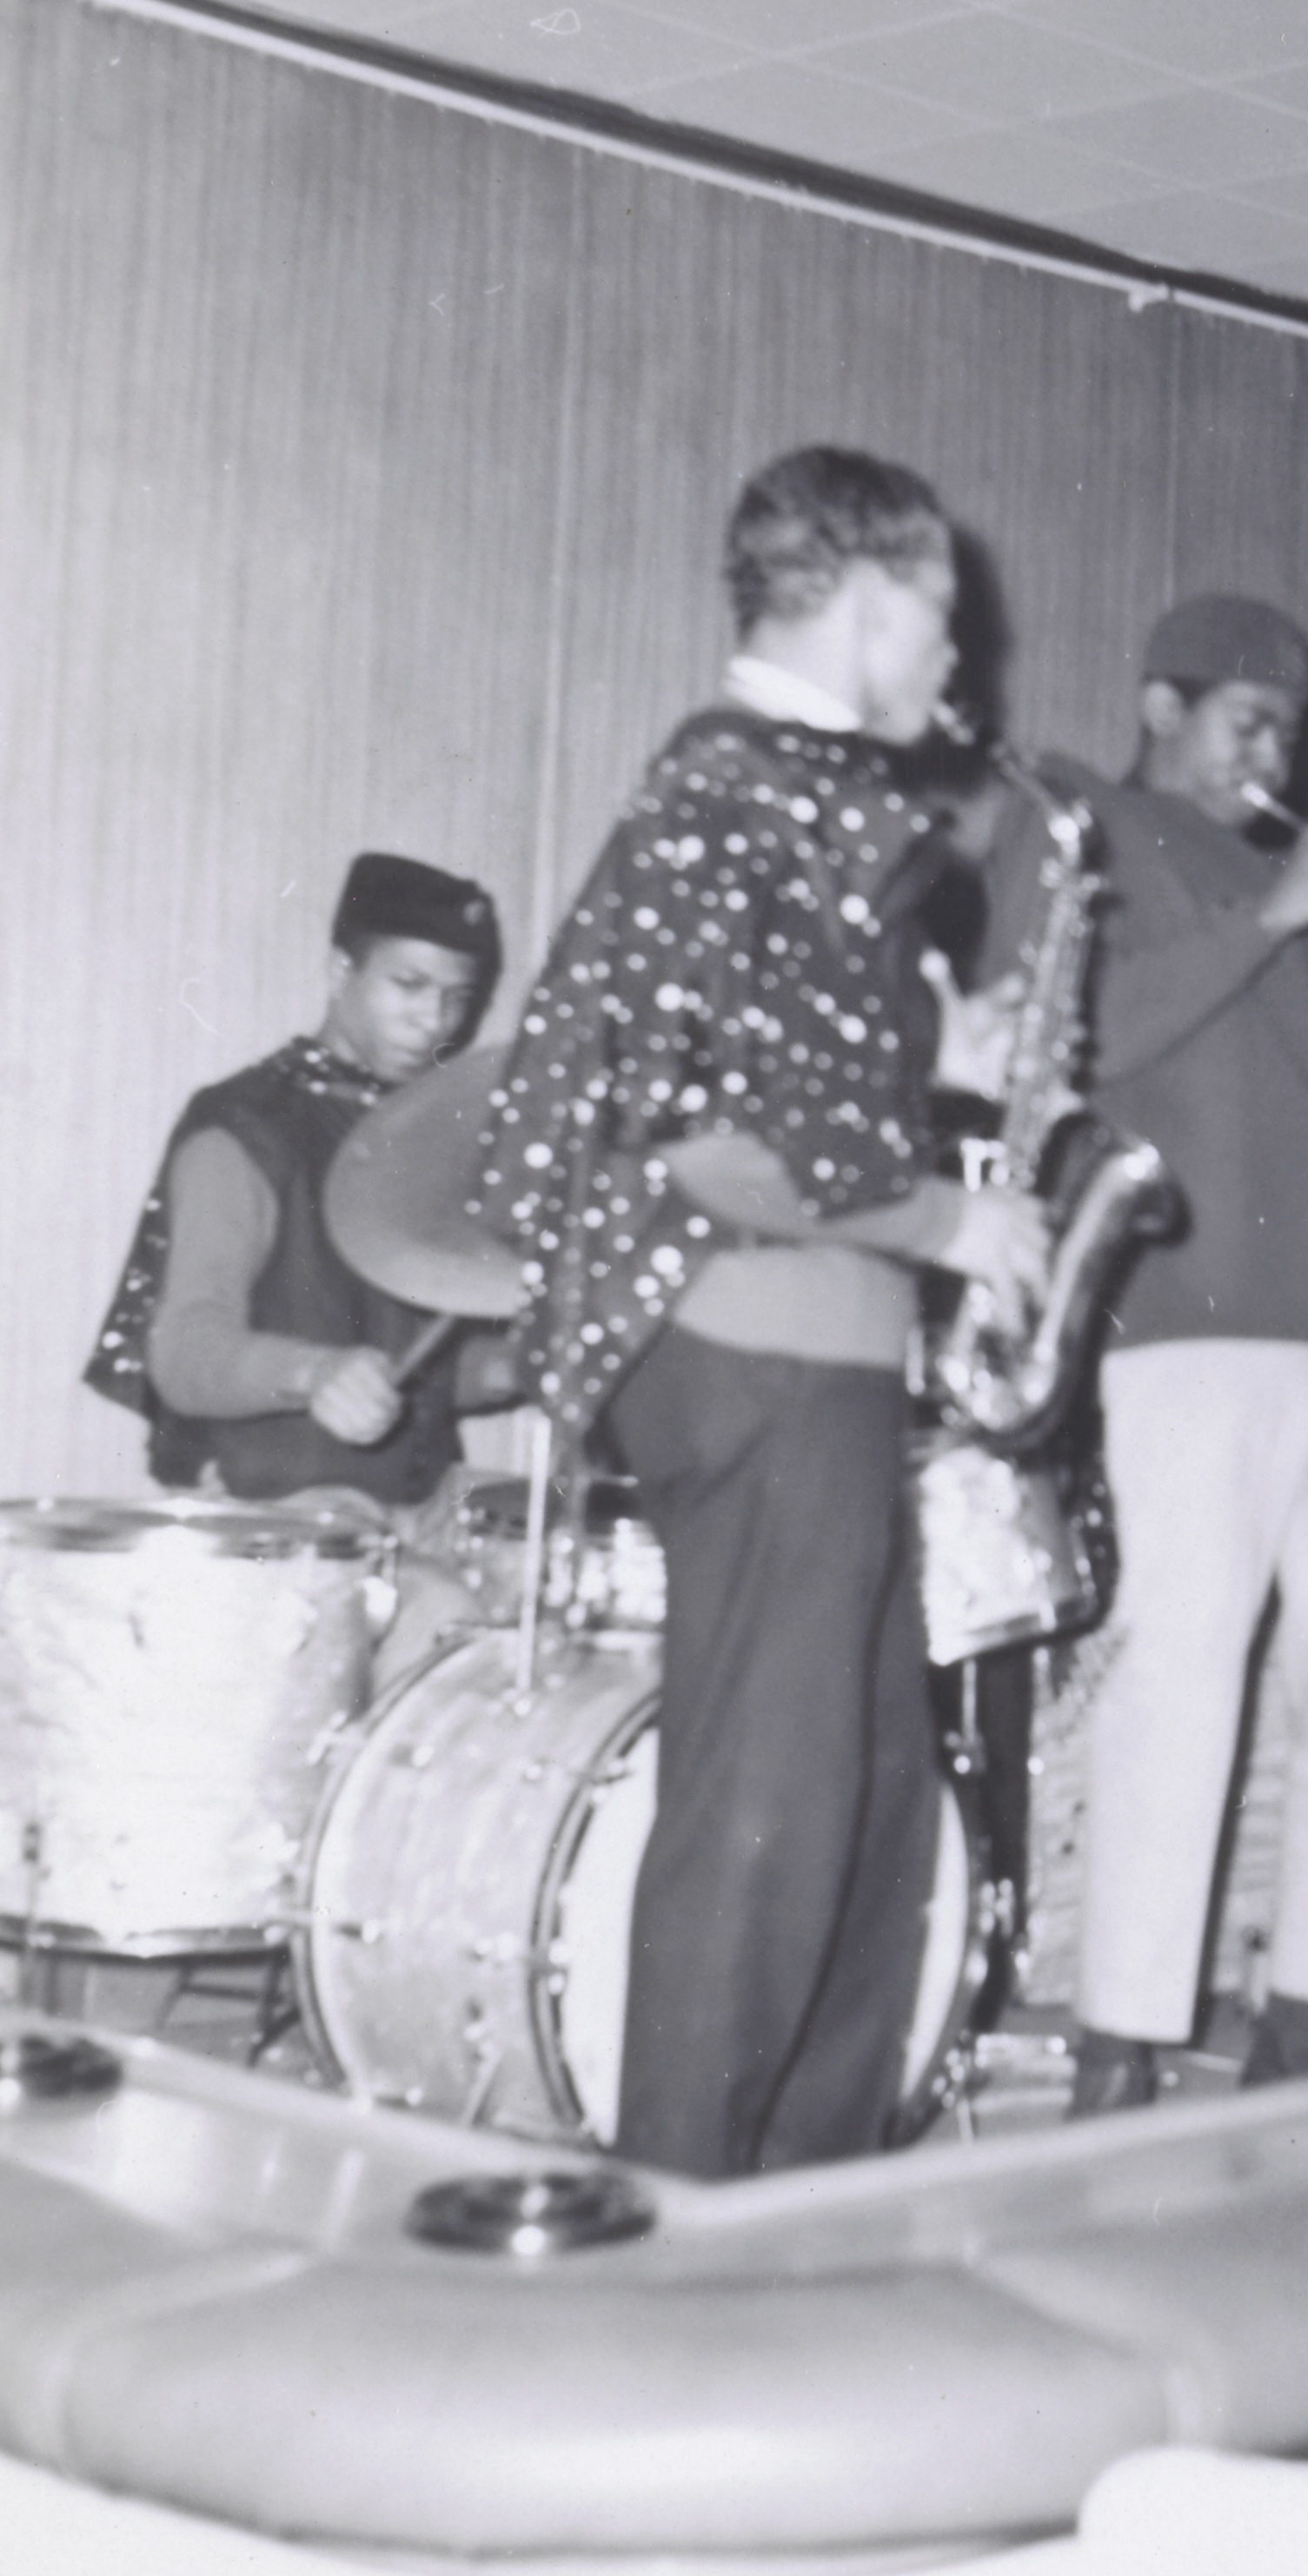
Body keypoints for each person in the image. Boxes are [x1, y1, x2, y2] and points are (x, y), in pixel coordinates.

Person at [472, 446, 1039, 2182]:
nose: (958, 657)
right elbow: (709, 1138)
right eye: (939, 617)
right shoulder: (764, 794)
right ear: (864, 604)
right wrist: (956, 1214)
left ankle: (799, 2192)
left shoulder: (757, 796)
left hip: (792, 1351)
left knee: (867, 1796)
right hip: (764, 1346)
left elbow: (760, 1073)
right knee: (773, 1806)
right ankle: (682, 2207)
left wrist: (939, 1056)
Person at [991, 594, 1308, 2116]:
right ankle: (1121, 2033)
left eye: (1292, 734)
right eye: (1251, 721)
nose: (1275, 758)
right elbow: (1076, 1038)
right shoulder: (1082, 825)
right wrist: (1278, 917)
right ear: (1161, 705)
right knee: (1177, 1669)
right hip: (1183, 1307)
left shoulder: (1279, 880)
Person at [88, 851, 508, 1509]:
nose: (435, 1021)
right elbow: (185, 1352)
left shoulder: (425, 1136)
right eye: (409, 985)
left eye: (457, 998)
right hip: (264, 1526)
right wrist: (316, 1373)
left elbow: (420, 1378)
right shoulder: (244, 1126)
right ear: (340, 971)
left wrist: (522, 1366)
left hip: (410, 1520)